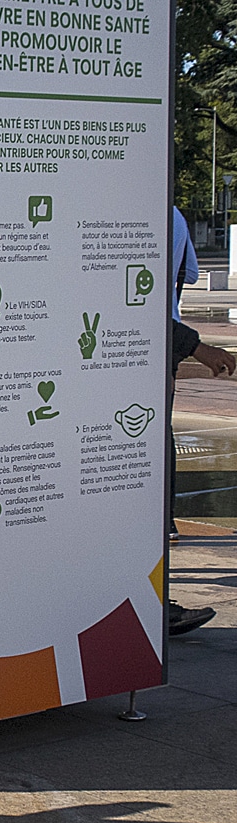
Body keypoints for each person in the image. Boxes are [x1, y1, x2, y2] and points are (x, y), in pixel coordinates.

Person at [167, 206, 228, 635]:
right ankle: (152, 604)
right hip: (147, 354)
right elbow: (163, 298)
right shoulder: (168, 215)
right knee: (144, 481)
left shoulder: (168, 216)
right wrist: (196, 348)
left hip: (149, 354)